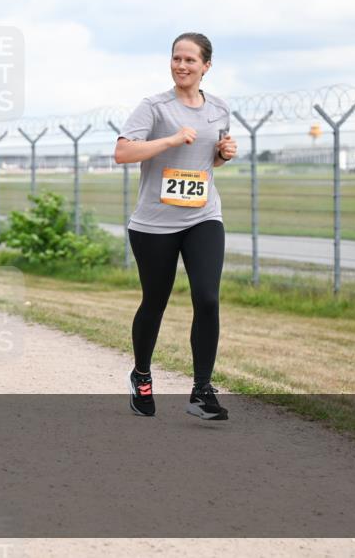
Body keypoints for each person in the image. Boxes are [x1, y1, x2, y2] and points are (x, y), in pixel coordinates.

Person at [114, 32, 238, 421]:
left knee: (207, 297)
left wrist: (223, 155)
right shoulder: (154, 107)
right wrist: (168, 140)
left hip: (203, 216)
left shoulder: (219, 109)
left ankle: (202, 390)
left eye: (190, 60)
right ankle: (142, 376)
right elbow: (122, 152)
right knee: (156, 301)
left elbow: (206, 163)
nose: (181, 66)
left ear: (206, 66)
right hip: (154, 224)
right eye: (176, 59)